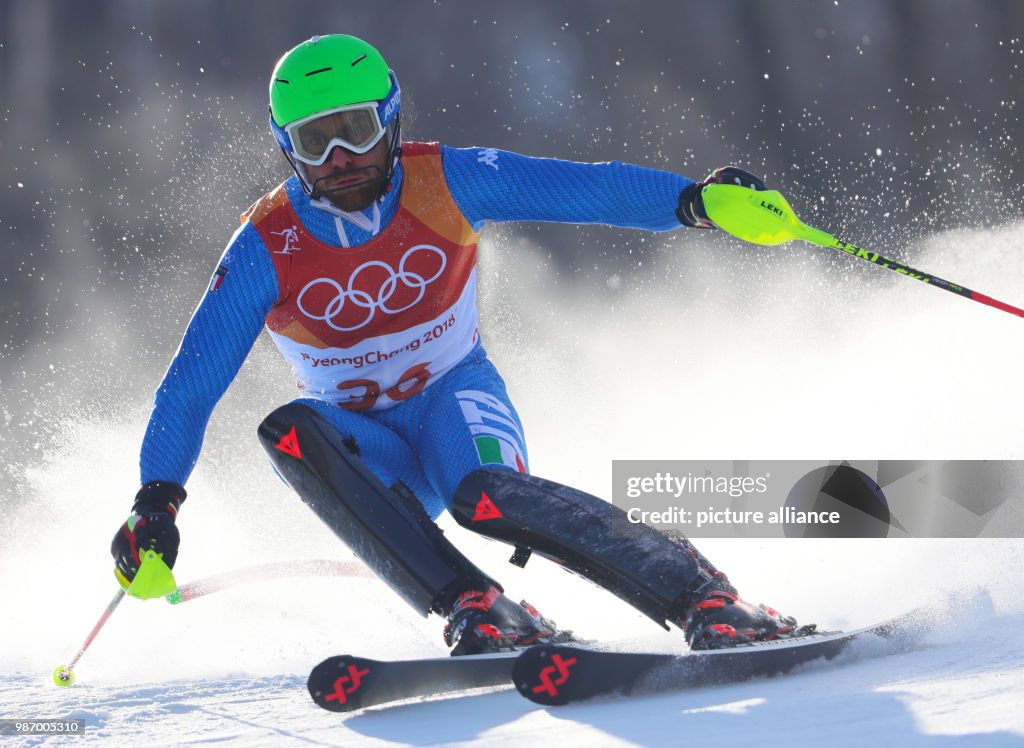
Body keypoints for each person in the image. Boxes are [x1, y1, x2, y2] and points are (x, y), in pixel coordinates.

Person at [111, 34, 807, 655]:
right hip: (368, 453)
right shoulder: (266, 244)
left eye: (354, 130)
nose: (341, 158)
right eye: (314, 141)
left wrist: (694, 202)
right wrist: (156, 502)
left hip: (454, 403)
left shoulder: (444, 179)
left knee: (482, 497)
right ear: (285, 145)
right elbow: (193, 382)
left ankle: (704, 595)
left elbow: (583, 189)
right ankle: (477, 606)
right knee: (286, 433)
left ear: (390, 118)